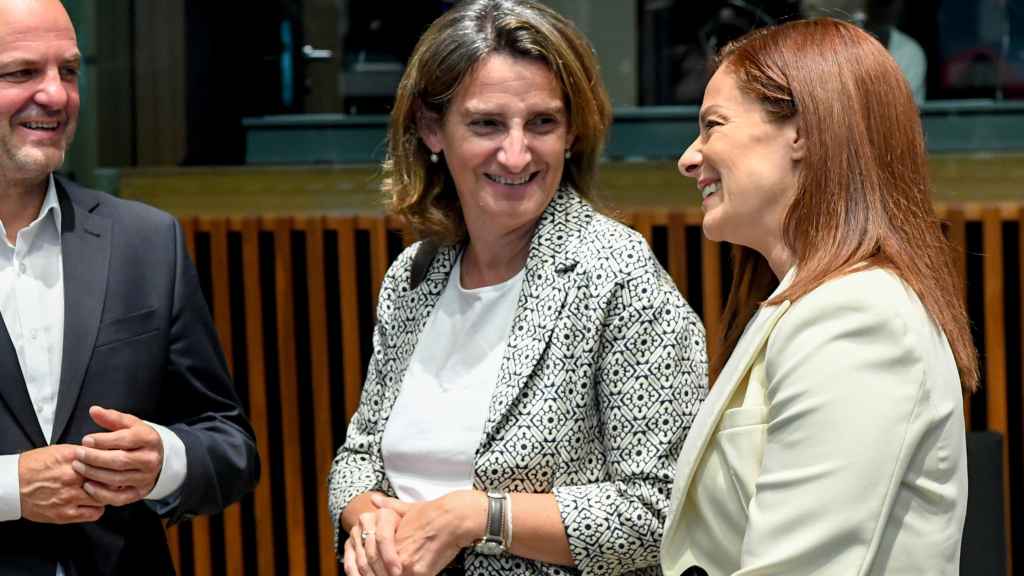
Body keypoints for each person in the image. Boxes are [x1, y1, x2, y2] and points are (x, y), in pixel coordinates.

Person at [327, 1, 707, 575]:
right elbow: (360, 453)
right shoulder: (413, 274)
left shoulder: (620, 276)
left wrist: (480, 516)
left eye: (542, 123)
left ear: (573, 132)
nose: (516, 153)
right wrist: (362, 516)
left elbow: (663, 512)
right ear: (432, 129)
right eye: (486, 124)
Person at [661, 18, 976, 576]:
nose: (689, 158)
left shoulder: (856, 315)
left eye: (712, 125)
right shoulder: (817, 302)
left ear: (802, 131)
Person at [0, 0, 260, 573]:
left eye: (68, 71)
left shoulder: (146, 241)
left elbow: (229, 445)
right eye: (21, 73)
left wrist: (165, 460)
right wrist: (11, 489)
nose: (55, 95)